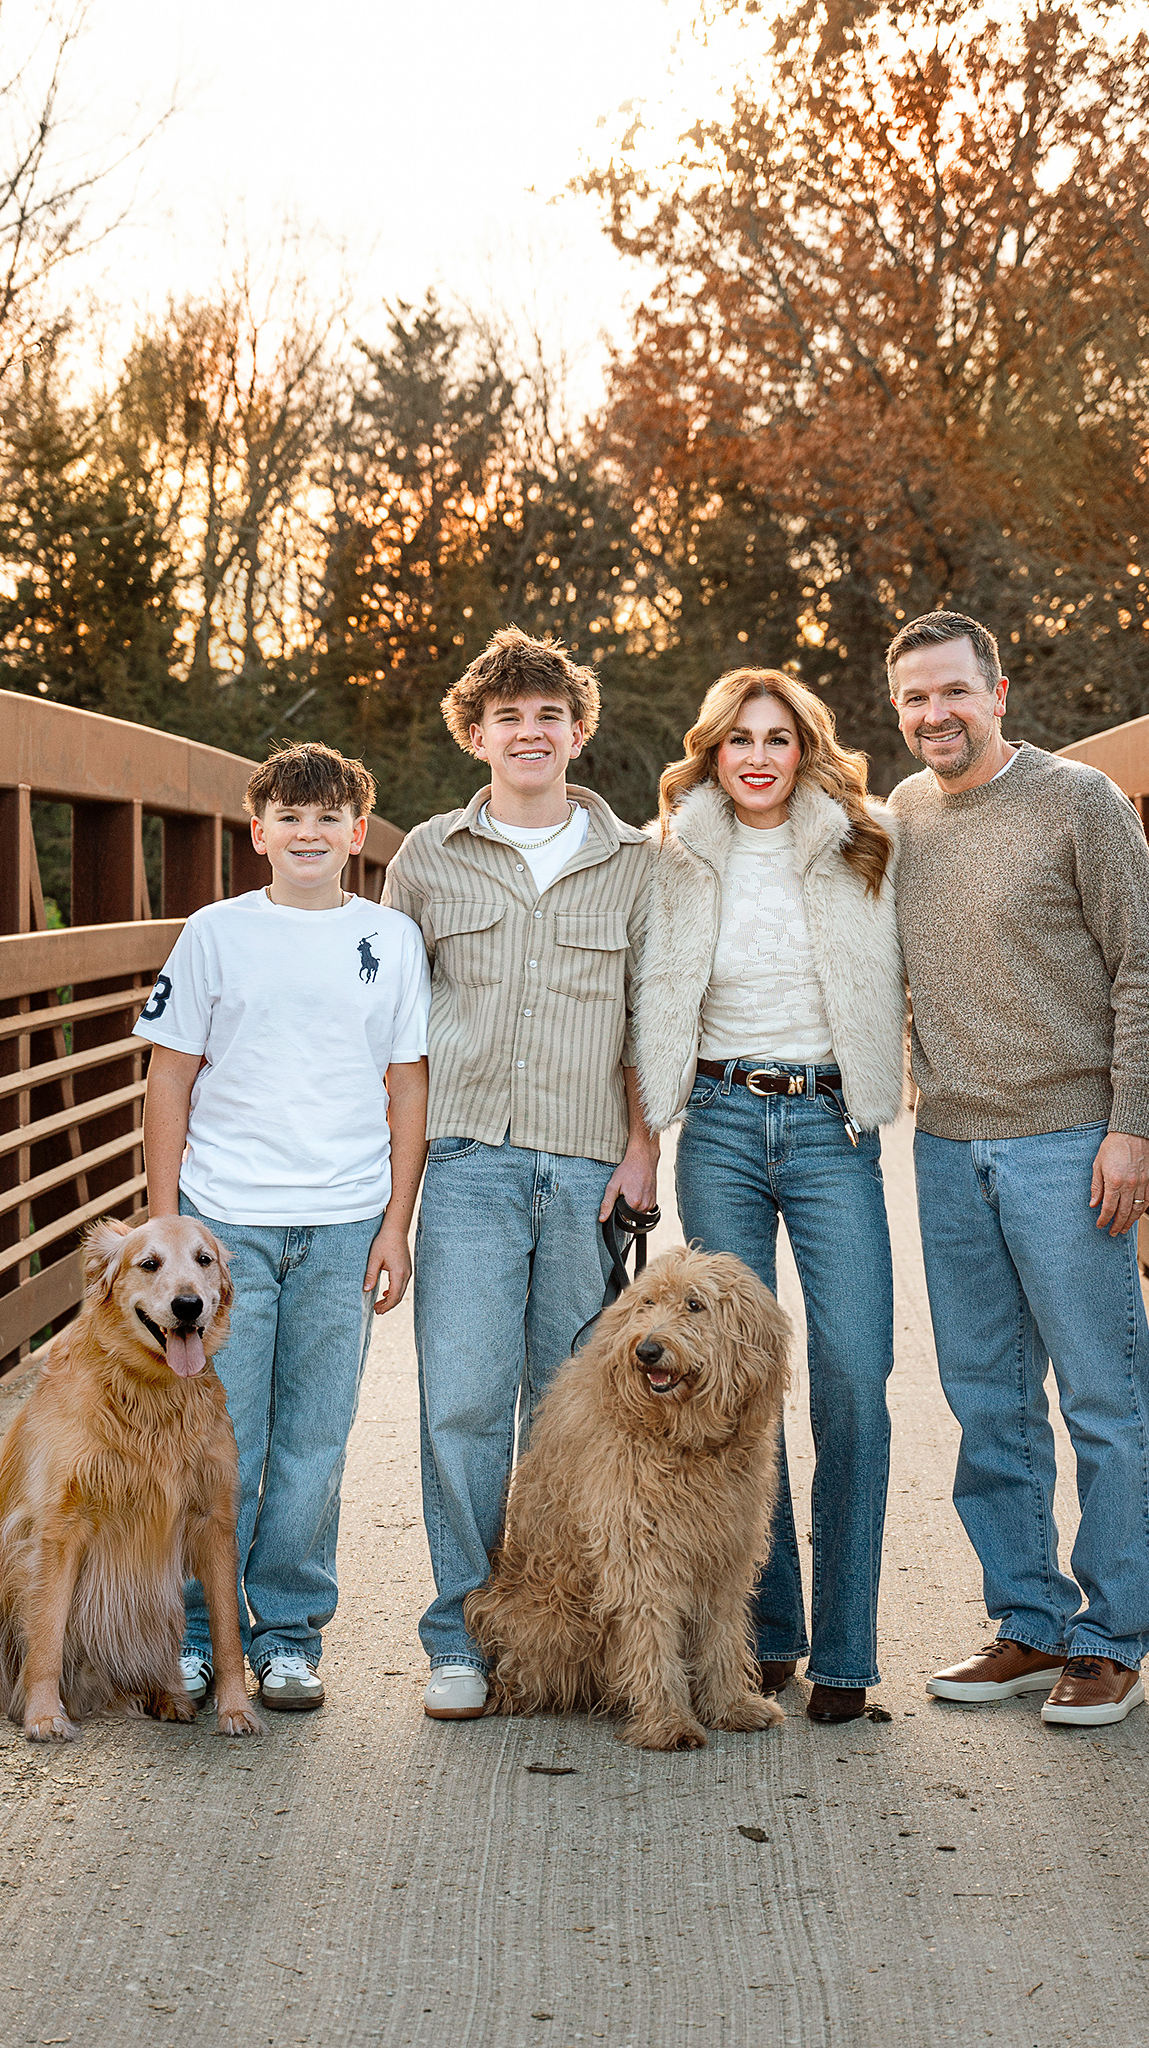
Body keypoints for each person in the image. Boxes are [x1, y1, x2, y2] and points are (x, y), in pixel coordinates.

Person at [887, 610, 1149, 1727]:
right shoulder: (906, 813)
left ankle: (1110, 1638)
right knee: (986, 1402)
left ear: (996, 691)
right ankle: (1025, 1617)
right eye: (913, 698)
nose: (933, 715)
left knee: (1102, 1398)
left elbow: (1143, 972)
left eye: (952, 691)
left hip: (1068, 1142)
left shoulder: (1079, 800)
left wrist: (1129, 1125)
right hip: (948, 1144)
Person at [382, 627, 658, 1722]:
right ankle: (458, 1633)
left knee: (567, 1413)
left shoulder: (635, 861)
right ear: (475, 734)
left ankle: (557, 1633)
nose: (529, 731)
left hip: (586, 1160)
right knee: (459, 1404)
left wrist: (644, 1147)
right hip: (463, 1162)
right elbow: (391, 1022)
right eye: (508, 717)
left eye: (549, 714)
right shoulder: (425, 856)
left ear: (577, 729)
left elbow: (649, 1016)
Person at [633, 669, 906, 1723]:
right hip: (722, 1124)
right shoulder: (675, 855)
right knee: (736, 1382)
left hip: (832, 1128)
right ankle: (767, 1636)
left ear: (805, 750)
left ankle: (845, 1651)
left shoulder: (867, 841)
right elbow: (640, 989)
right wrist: (641, 1134)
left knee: (849, 1377)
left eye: (777, 737)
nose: (756, 754)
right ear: (710, 752)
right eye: (737, 737)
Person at [138, 740, 430, 1712]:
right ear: (255, 831)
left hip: (343, 1222)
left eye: (328, 817)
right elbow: (168, 1077)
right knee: (221, 1437)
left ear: (357, 833)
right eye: (288, 817)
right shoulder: (214, 933)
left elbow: (405, 1084)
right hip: (227, 1227)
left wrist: (396, 1222)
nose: (308, 832)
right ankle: (188, 1631)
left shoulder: (388, 941)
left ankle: (288, 1633)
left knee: (314, 1438)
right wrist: (170, 1221)